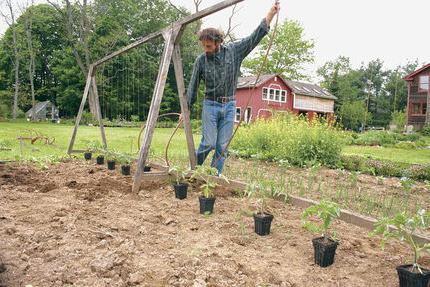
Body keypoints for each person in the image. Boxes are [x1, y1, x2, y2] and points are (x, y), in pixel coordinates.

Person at [187, 1, 280, 175]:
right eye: (203, 46)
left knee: (222, 146)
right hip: (210, 105)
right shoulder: (201, 60)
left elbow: (255, 36)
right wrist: (185, 109)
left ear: (218, 43)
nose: (205, 49)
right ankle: (192, 169)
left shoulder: (234, 51)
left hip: (229, 105)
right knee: (208, 142)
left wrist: (271, 13)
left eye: (208, 46)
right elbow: (192, 86)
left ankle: (213, 177)